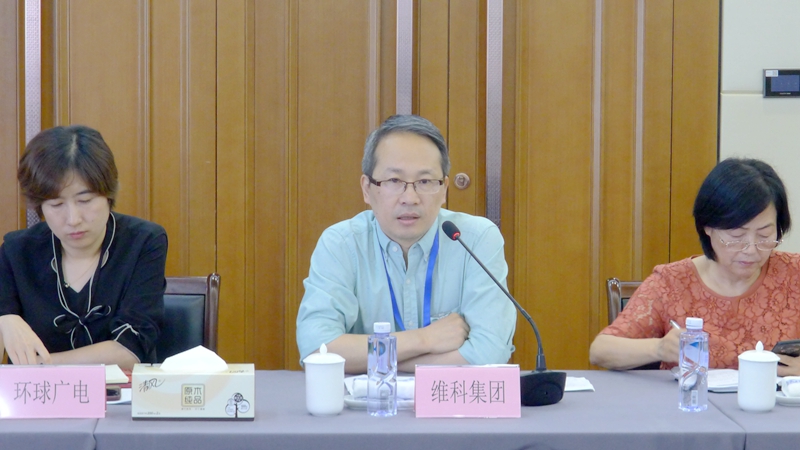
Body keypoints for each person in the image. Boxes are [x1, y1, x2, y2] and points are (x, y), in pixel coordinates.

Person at [296, 115, 516, 373]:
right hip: (365, 400)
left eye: (425, 182)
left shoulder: (476, 239)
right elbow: (317, 349)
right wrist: (424, 339)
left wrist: (378, 361)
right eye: (394, 181)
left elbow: (489, 352)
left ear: (444, 189)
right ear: (367, 189)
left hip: (446, 400)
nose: (410, 198)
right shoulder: (341, 244)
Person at [590, 158, 800, 376]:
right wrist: (659, 348)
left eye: (764, 235)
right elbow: (600, 351)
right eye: (737, 236)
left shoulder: (795, 273)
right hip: (691, 397)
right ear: (708, 227)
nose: (751, 249)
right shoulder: (671, 282)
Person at [0, 125, 167, 370]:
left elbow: (131, 349)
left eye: (85, 200)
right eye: (56, 204)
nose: (73, 219)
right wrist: (5, 319)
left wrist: (39, 367)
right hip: (40, 394)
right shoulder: (17, 251)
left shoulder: (143, 241)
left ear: (108, 195)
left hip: (120, 393)